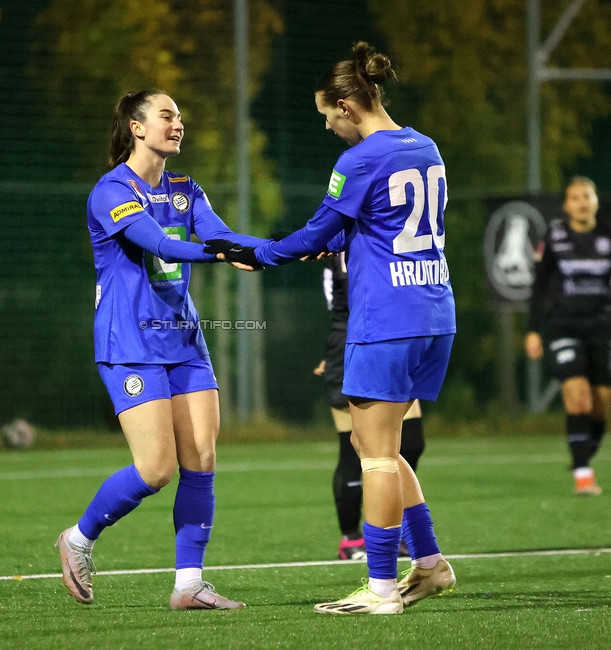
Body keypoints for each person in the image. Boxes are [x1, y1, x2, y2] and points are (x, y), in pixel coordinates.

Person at [207, 41, 456, 615]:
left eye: (326, 115)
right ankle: (430, 565)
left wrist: (262, 254)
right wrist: (342, 240)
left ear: (347, 105)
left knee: (371, 455)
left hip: (384, 319)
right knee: (389, 452)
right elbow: (391, 225)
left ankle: (382, 589)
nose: (328, 127)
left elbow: (317, 231)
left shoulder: (361, 159)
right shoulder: (425, 146)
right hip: (433, 313)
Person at [56, 89, 264, 611]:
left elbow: (220, 234)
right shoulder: (110, 191)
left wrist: (277, 249)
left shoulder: (184, 188)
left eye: (180, 117)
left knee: (202, 459)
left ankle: (188, 584)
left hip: (184, 340)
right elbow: (161, 244)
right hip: (130, 344)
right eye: (167, 116)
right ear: (136, 125)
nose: (178, 125)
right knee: (155, 469)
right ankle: (78, 538)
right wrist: (223, 253)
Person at [525, 176, 611, 496]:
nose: (582, 202)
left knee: (600, 407)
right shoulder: (555, 237)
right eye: (575, 197)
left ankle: (583, 455)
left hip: (602, 326)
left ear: (596, 201)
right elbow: (539, 287)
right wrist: (533, 330)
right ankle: (584, 476)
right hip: (563, 326)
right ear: (566, 205)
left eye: (587, 196)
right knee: (579, 401)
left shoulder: (610, 236)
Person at [315, 252, 426, 561]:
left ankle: (398, 528)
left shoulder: (390, 235)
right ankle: (351, 538)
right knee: (357, 448)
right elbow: (333, 304)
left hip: (392, 342)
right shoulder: (336, 243)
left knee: (411, 443)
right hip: (350, 344)